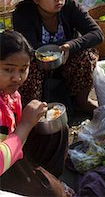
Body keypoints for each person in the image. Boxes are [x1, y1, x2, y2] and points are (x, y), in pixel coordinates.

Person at [12, 0, 103, 112]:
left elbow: (97, 34)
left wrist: (70, 46)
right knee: (27, 66)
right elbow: (30, 48)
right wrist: (58, 47)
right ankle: (34, 108)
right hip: (39, 66)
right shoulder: (23, 14)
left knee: (87, 55)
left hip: (66, 63)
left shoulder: (70, 6)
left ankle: (81, 101)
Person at [0, 31, 68, 196]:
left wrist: (33, 119)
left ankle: (44, 176)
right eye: (8, 69)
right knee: (54, 193)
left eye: (23, 69)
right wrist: (25, 124)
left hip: (13, 150)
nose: (17, 77)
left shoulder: (10, 94)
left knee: (57, 130)